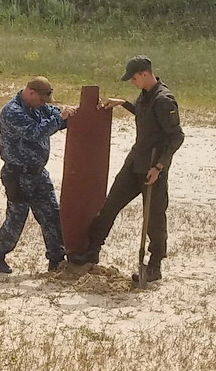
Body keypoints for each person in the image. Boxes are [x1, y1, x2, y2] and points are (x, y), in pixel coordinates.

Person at [71, 56, 184, 282]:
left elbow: (176, 137)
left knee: (154, 219)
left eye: (134, 78)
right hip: (134, 163)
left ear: (145, 74)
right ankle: (92, 252)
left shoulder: (164, 100)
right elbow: (145, 116)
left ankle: (154, 266)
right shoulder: (145, 95)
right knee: (109, 207)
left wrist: (159, 167)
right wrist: (123, 103)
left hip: (152, 169)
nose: (133, 82)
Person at [0, 76, 78, 274]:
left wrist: (71, 113)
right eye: (41, 99)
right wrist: (60, 118)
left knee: (51, 214)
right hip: (18, 175)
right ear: (30, 93)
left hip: (38, 173)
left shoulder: (38, 107)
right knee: (16, 218)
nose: (43, 104)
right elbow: (35, 132)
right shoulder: (12, 111)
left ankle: (56, 259)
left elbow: (57, 115)